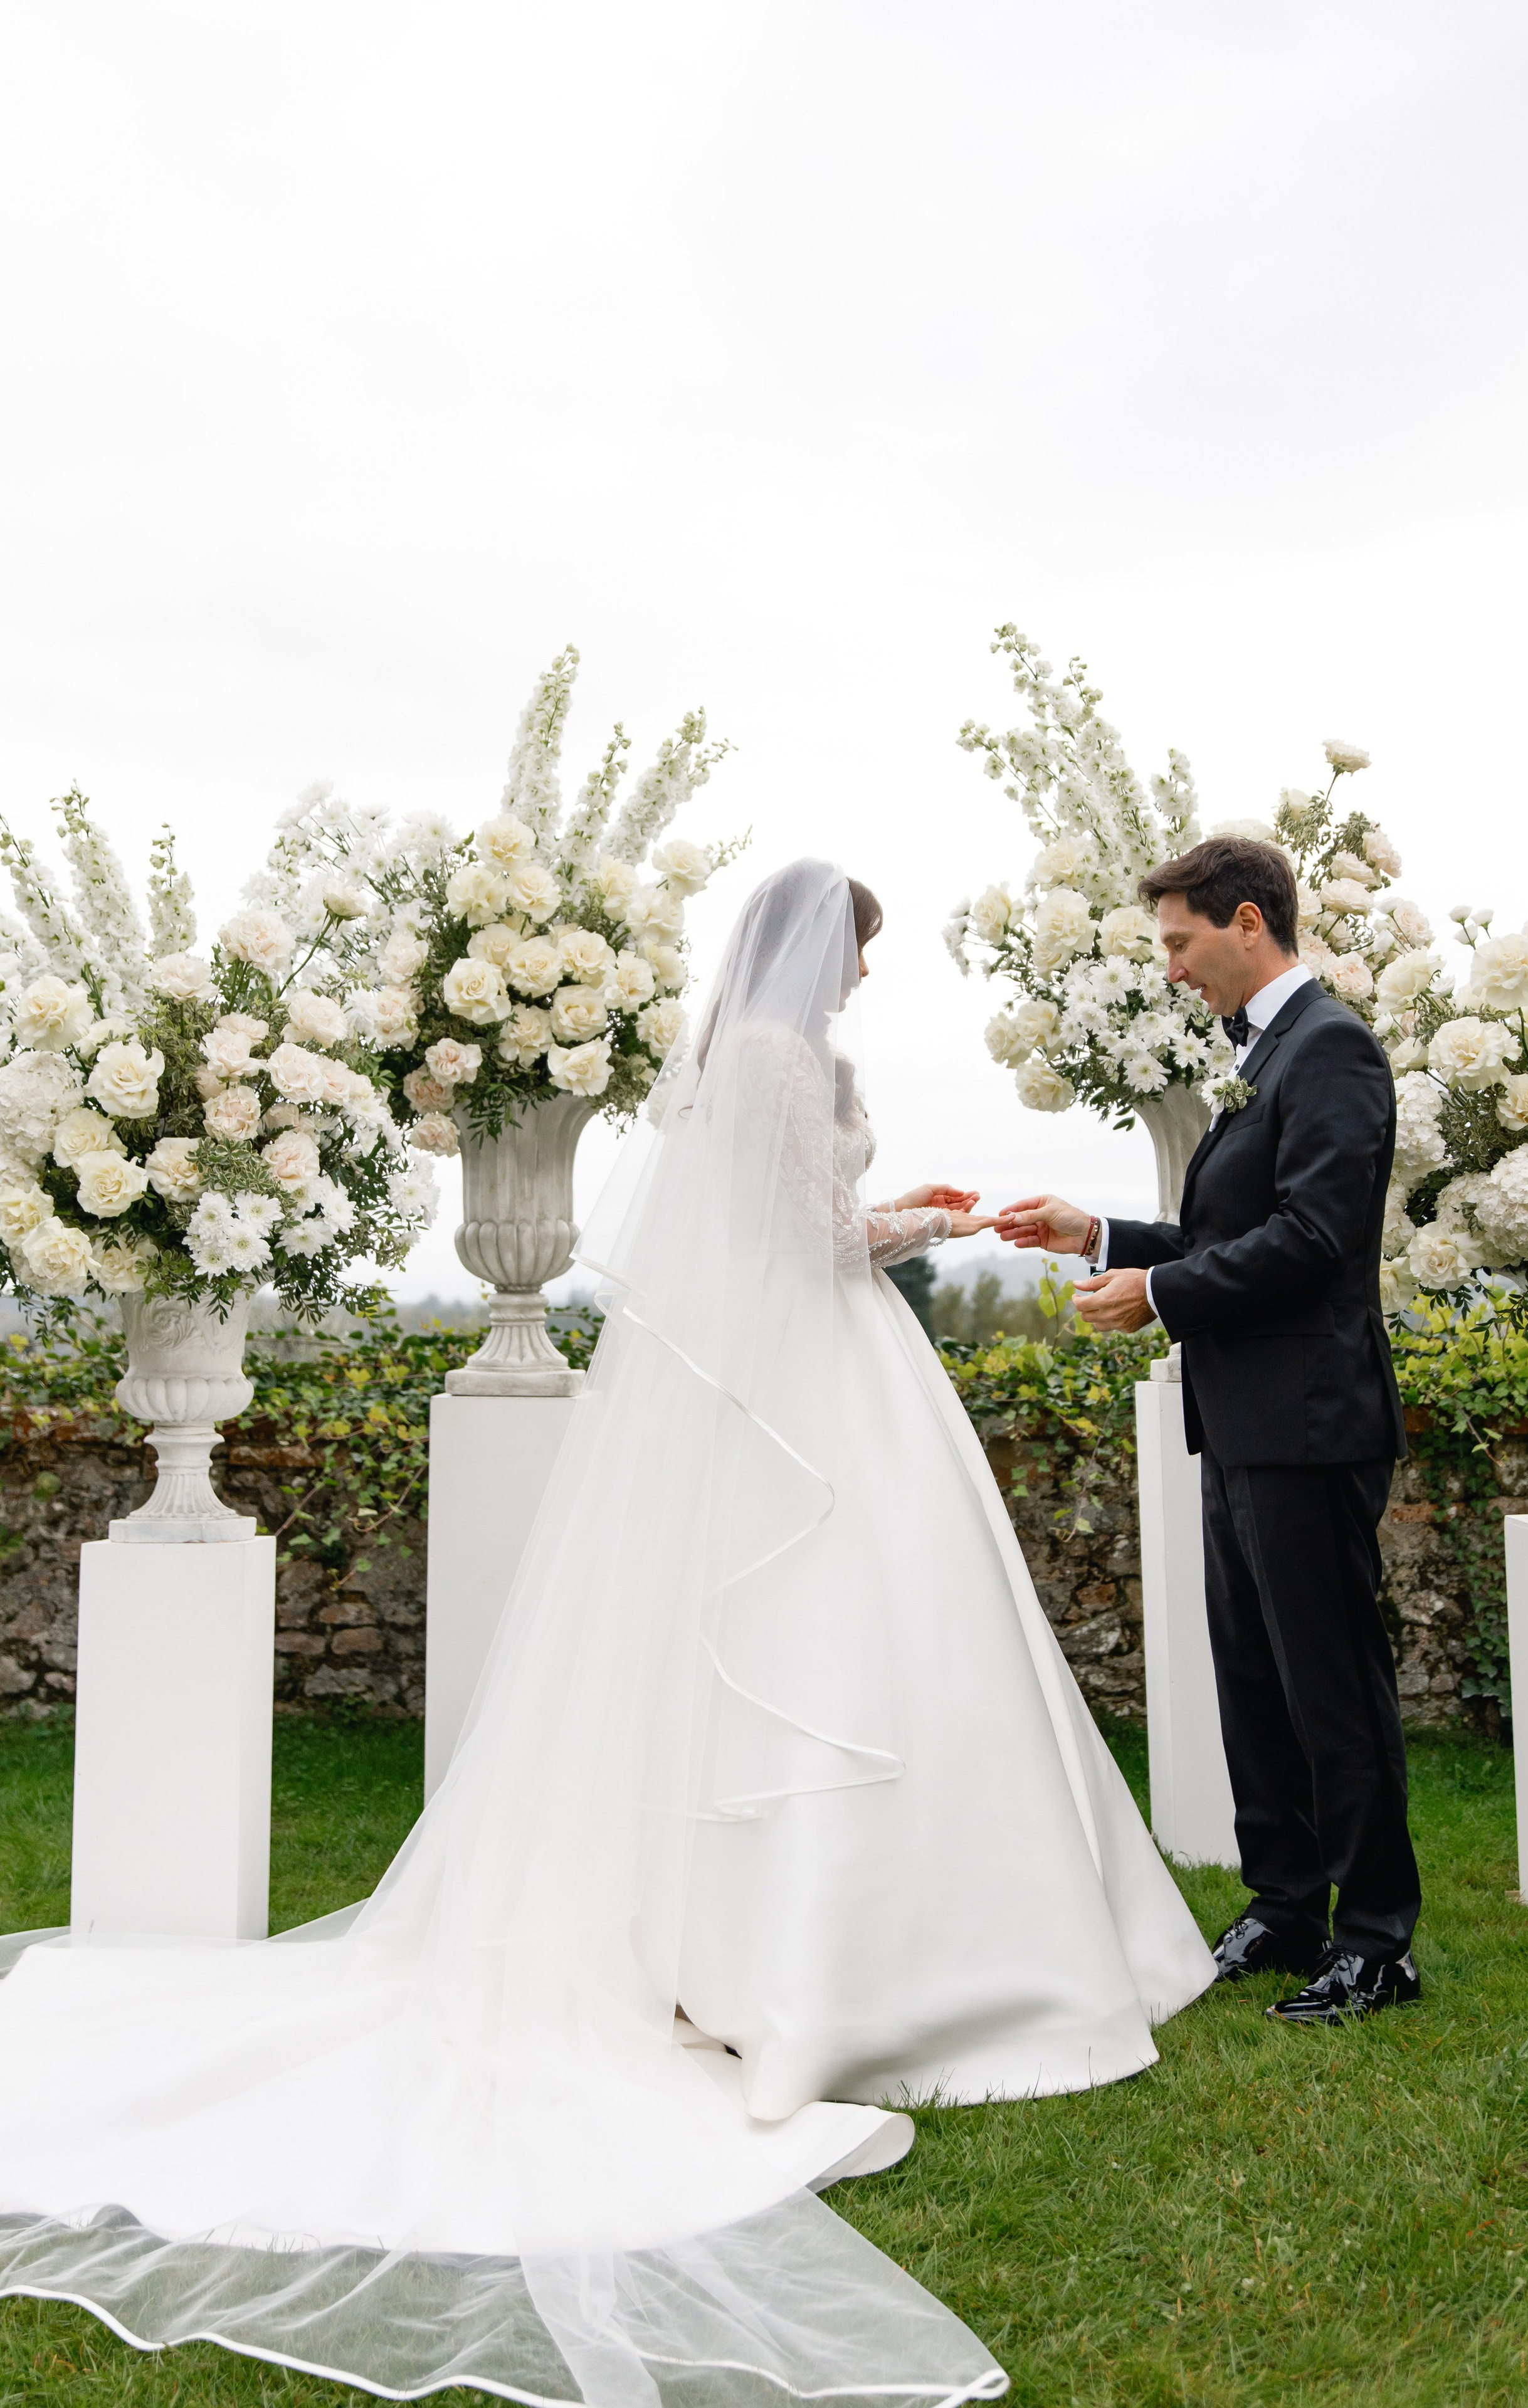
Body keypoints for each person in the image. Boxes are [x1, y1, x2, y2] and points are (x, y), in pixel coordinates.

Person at [0, 859, 1211, 2408]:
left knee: (880, 1641)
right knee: (823, 1644)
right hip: (809, 1380)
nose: (857, 976)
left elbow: (806, 1223)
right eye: (853, 949)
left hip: (819, 1371)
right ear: (810, 946)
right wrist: (908, 1227)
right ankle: (818, 1967)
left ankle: (878, 1947)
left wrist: (908, 1214)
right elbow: (806, 1246)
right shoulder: (773, 1059)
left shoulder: (775, 1056)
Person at [996, 834, 1420, 2028]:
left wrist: (1160, 1298)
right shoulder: (1266, 1054)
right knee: (1255, 1682)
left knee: (1332, 1685)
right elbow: (1230, 1231)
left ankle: (1378, 1937)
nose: (1173, 969)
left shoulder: (1330, 1046)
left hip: (1311, 1421)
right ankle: (1286, 1906)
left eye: (1181, 943)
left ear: (1248, 921)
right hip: (1238, 1422)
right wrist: (1101, 1238)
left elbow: (1316, 1240)